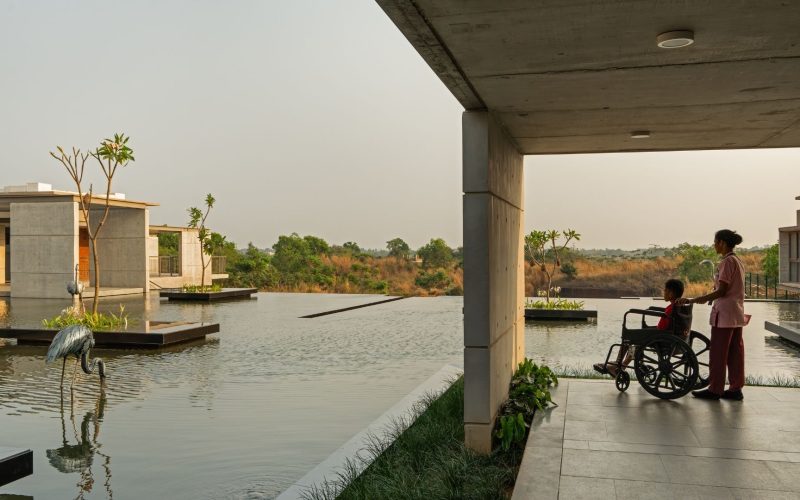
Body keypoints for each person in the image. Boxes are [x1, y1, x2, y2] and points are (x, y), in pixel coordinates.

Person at [678, 229, 746, 401]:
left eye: (715, 242)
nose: (714, 245)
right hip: (736, 312)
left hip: (724, 314)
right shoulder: (737, 261)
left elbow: (722, 290)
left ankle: (715, 389)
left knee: (718, 352)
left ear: (722, 242)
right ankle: (735, 388)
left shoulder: (726, 262)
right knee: (735, 352)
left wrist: (696, 299)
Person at [594, 278, 686, 377]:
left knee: (629, 338)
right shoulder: (679, 306)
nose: (663, 292)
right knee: (635, 342)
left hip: (661, 335)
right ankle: (621, 365)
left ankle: (618, 365)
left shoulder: (671, 308)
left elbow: (662, 326)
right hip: (670, 334)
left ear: (671, 293)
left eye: (665, 290)